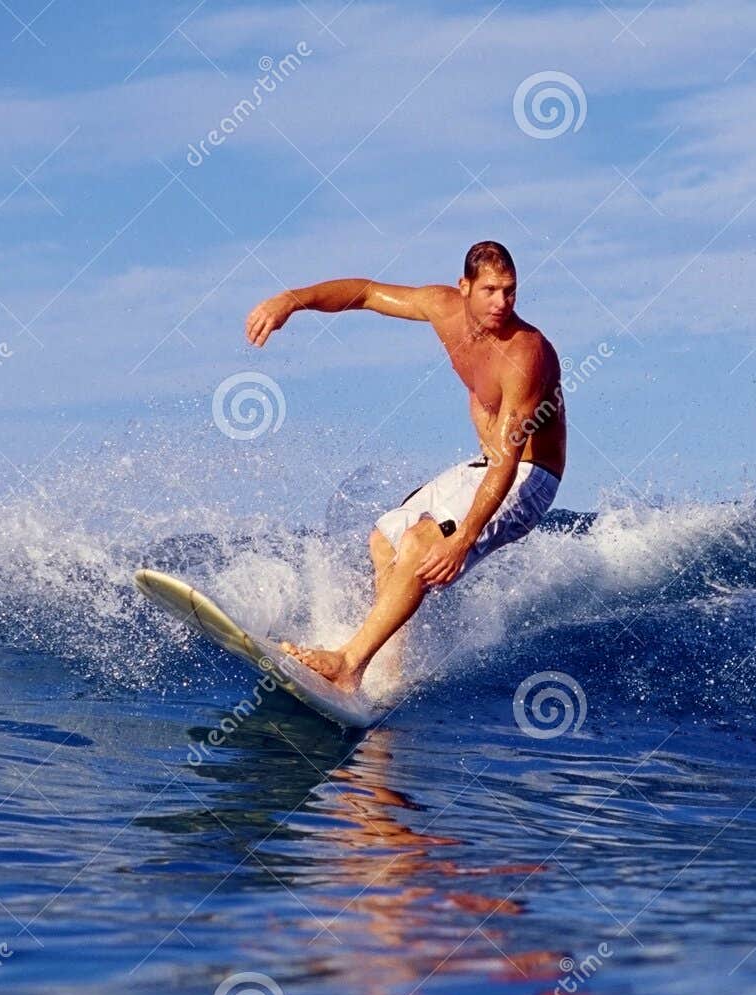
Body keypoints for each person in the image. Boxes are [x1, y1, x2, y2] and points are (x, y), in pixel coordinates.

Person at [242, 240, 566, 694]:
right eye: (491, 290)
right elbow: (369, 294)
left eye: (510, 291)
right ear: (464, 287)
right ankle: (386, 675)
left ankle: (349, 664)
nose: (502, 303)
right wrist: (292, 301)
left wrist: (463, 539)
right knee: (386, 539)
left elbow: (508, 464)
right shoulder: (441, 306)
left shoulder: (525, 354)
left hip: (529, 475)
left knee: (421, 542)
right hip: (488, 465)